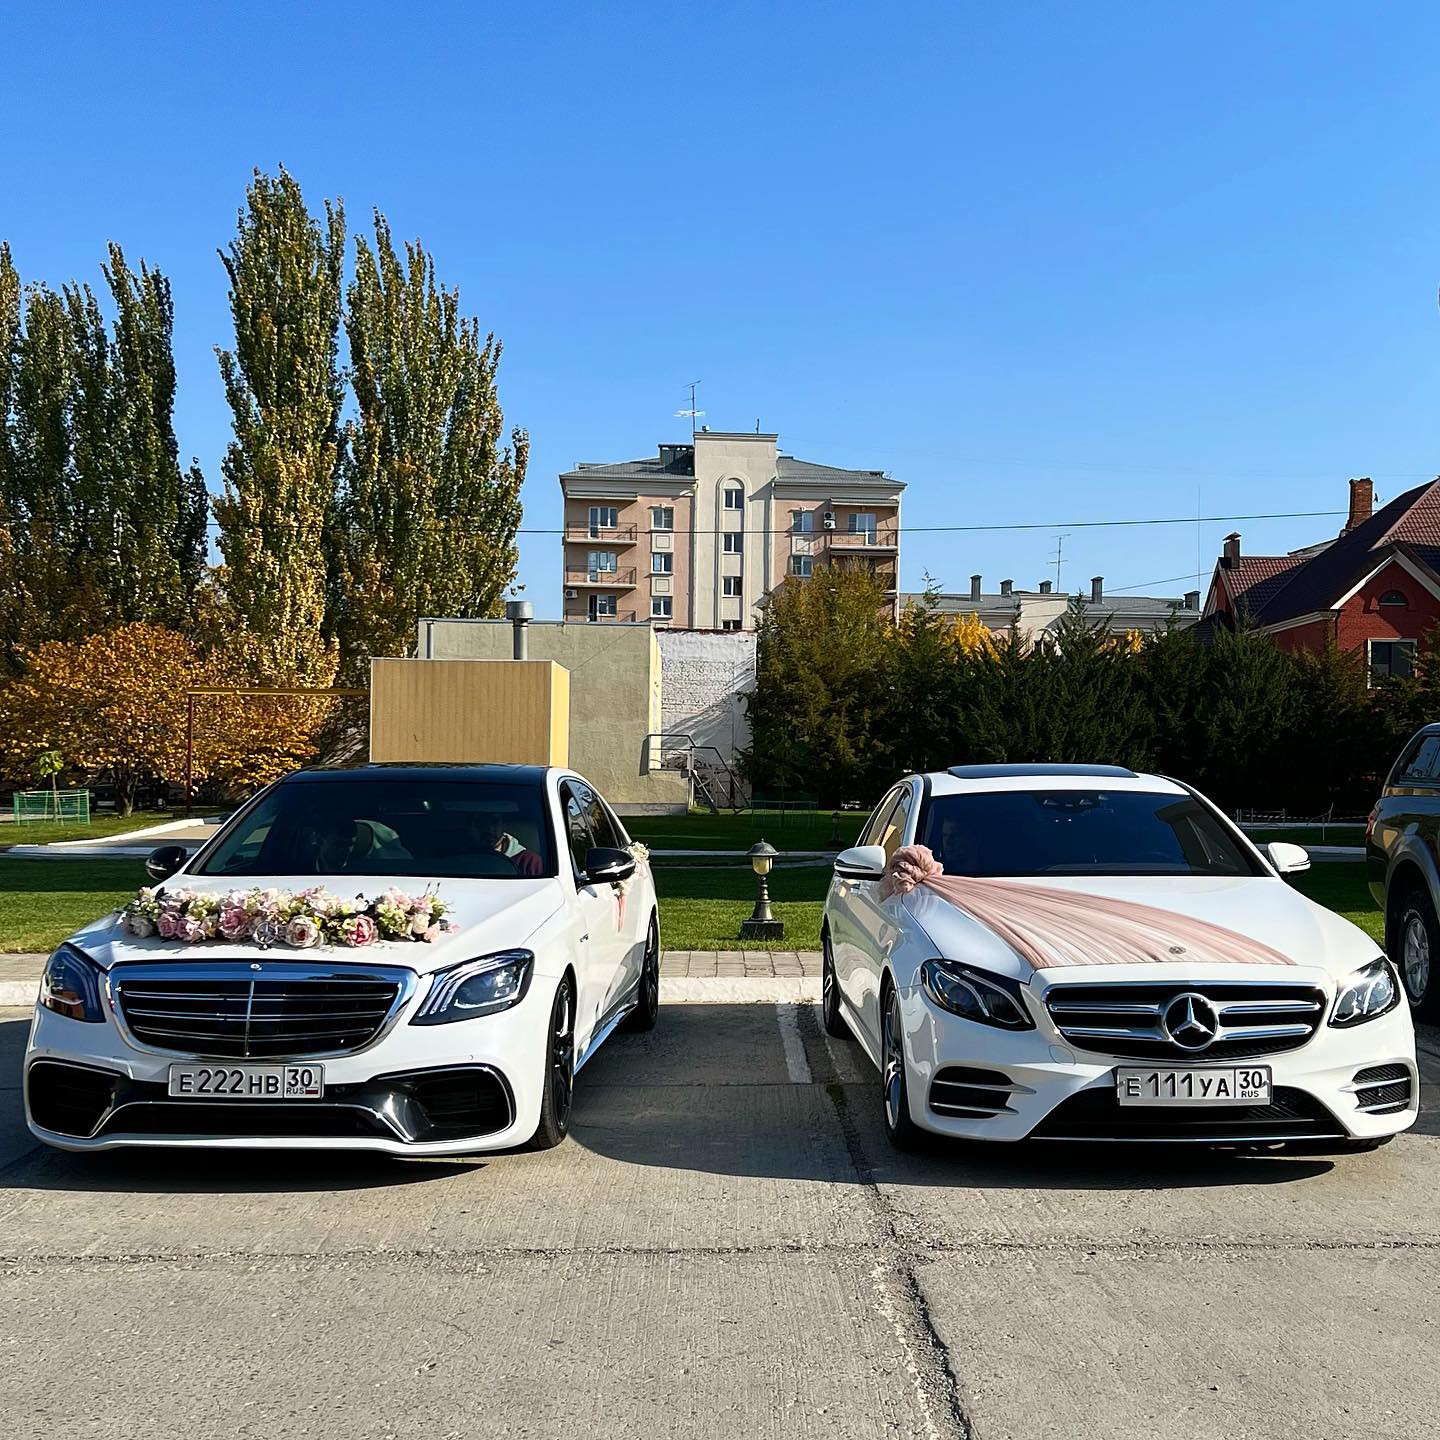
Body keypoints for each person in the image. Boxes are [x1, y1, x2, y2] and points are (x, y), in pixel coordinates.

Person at [473, 812, 543, 877]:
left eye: (494, 821)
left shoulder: (530, 862)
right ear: (470, 827)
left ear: (503, 825)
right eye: (481, 822)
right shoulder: (466, 862)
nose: (489, 829)